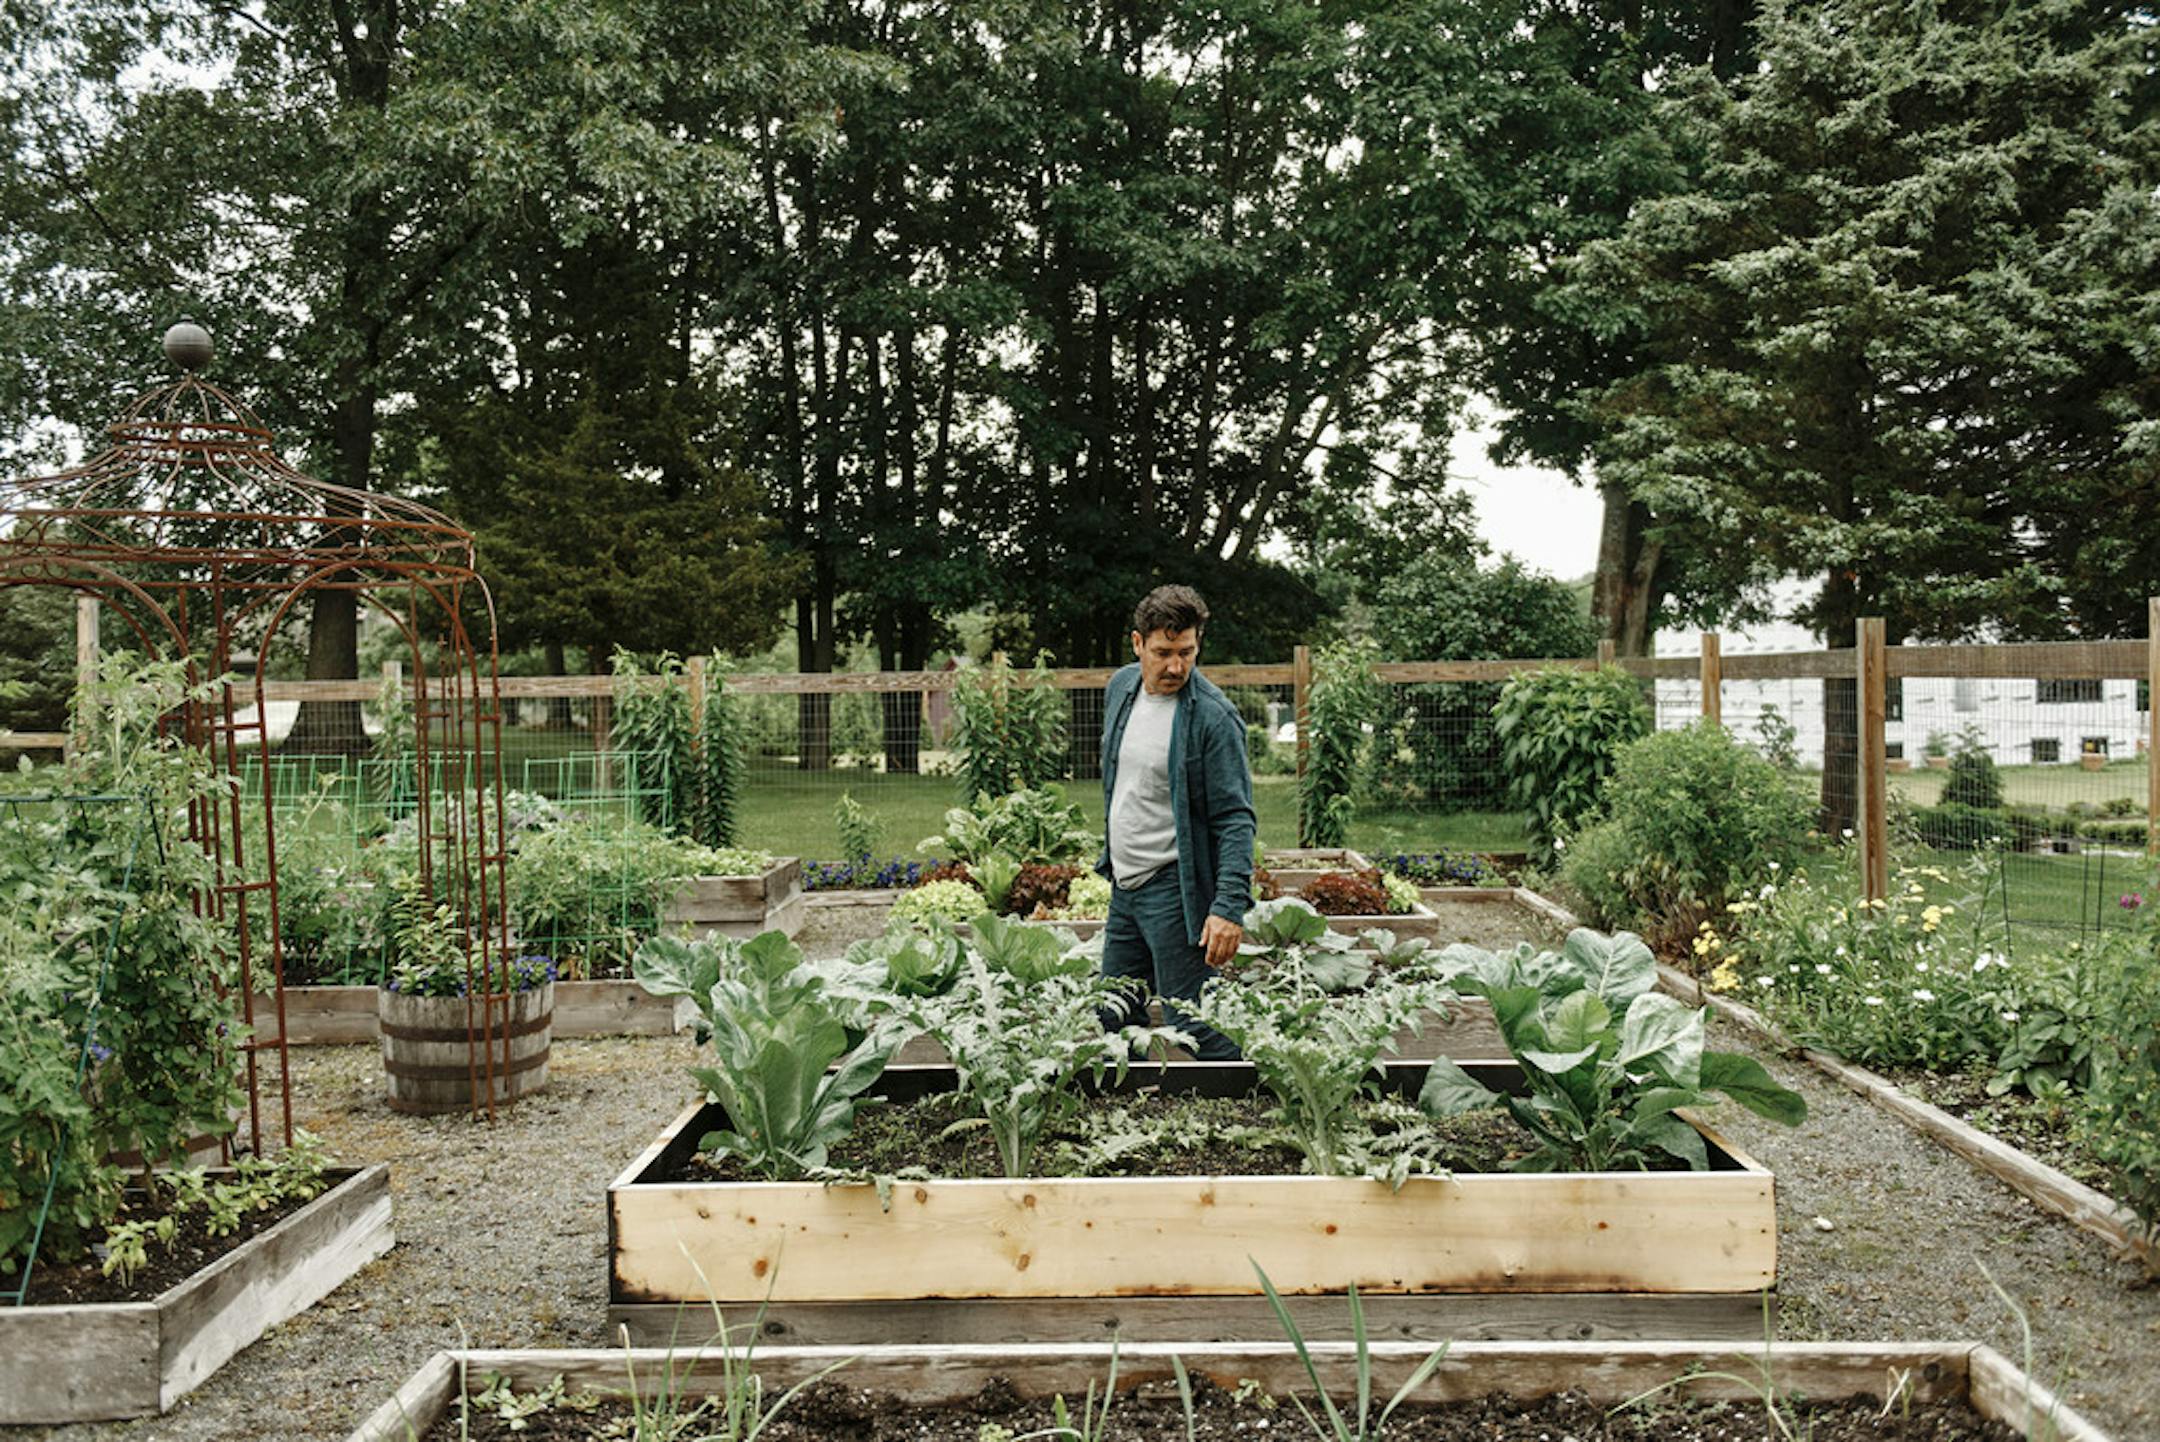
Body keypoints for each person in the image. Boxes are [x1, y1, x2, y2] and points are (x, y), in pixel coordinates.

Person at [1095, 584, 1255, 1060]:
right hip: (1125, 887)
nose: (1176, 667)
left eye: (1187, 652)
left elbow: (1235, 819)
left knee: (1195, 1023)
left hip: (1171, 890)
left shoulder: (1212, 718)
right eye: (1163, 652)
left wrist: (1228, 907)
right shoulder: (1121, 688)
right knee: (1114, 1015)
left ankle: (1260, 1104)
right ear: (1137, 643)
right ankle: (1133, 1120)